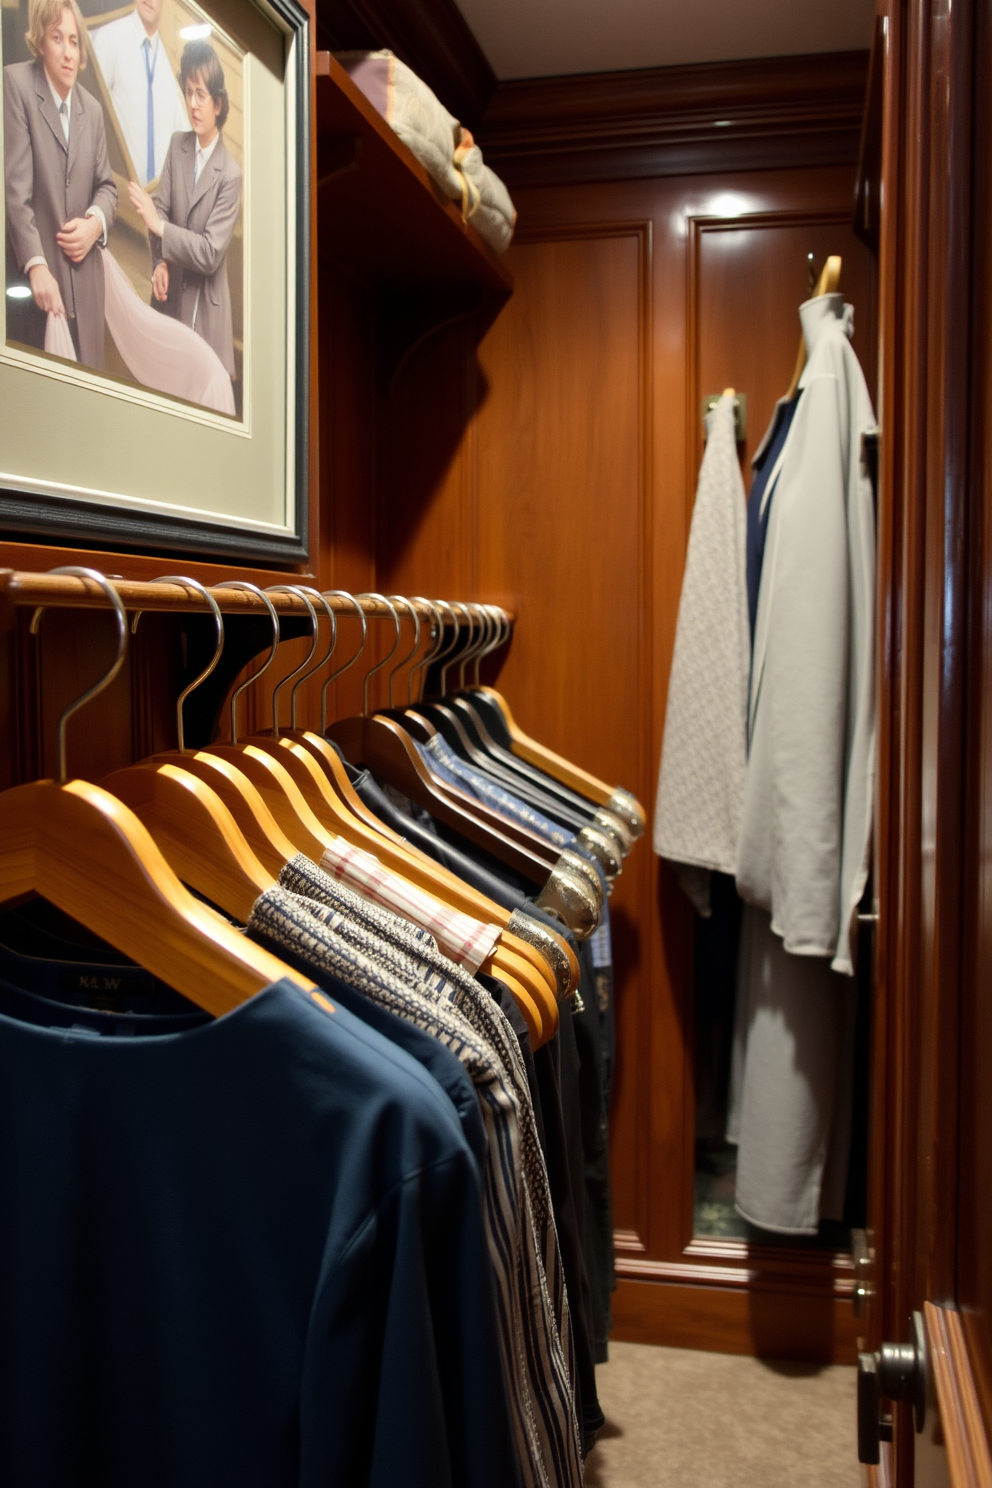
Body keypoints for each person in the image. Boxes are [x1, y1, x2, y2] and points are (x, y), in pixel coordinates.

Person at [3, 0, 116, 368]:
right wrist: (36, 266)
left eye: (74, 41)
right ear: (39, 41)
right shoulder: (15, 84)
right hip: (38, 290)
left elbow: (107, 188)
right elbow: (15, 192)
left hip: (86, 290)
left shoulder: (94, 111)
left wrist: (95, 222)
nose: (69, 53)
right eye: (57, 38)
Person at [127, 39, 241, 380]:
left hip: (205, 314)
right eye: (188, 92)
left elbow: (208, 253)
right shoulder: (178, 145)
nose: (192, 104)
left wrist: (161, 230)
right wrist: (159, 261)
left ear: (218, 102)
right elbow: (159, 209)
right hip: (169, 298)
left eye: (201, 95)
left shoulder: (232, 175)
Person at [90, 0, 188, 187]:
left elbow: (184, 139)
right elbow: (88, 114)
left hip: (158, 203)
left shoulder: (169, 63)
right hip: (117, 195)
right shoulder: (109, 37)